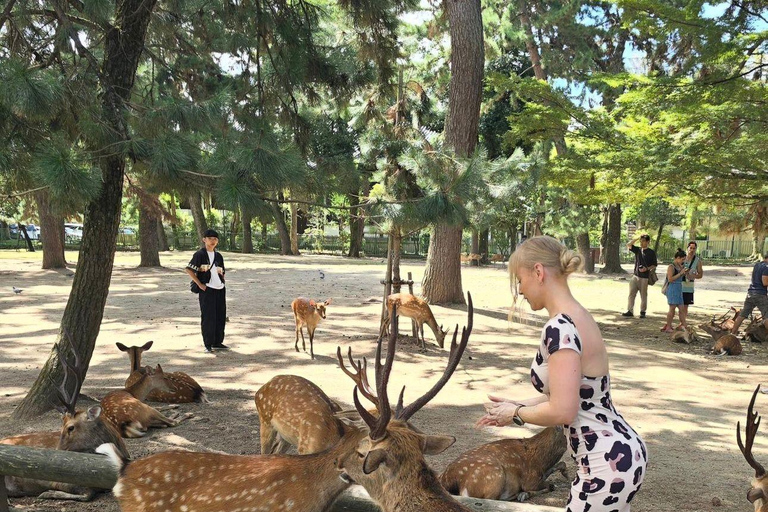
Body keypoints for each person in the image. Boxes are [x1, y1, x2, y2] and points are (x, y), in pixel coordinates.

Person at [476, 236, 646, 512]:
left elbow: (564, 411)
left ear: (539, 272)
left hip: (604, 462)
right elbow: (579, 393)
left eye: (519, 279)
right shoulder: (578, 315)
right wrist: (513, 405)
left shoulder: (559, 327)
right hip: (619, 453)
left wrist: (515, 413)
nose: (520, 290)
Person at [185, 229, 228, 353]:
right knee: (208, 316)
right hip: (207, 289)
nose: (213, 241)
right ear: (204, 239)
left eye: (215, 239)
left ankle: (217, 341)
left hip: (220, 289)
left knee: (220, 315)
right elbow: (189, 270)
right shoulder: (200, 254)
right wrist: (200, 284)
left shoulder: (219, 256)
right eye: (210, 238)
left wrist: (222, 282)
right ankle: (208, 343)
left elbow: (222, 271)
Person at [731, 251, 768, 335]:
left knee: (743, 315)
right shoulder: (766, 267)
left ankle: (733, 333)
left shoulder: (757, 265)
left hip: (751, 293)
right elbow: (765, 282)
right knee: (766, 315)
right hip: (760, 294)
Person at [621, 234, 657, 318]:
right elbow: (629, 245)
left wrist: (646, 269)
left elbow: (654, 264)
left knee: (643, 295)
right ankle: (630, 310)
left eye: (643, 241)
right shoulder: (638, 250)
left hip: (644, 277)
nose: (641, 242)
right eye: (641, 241)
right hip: (635, 276)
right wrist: (637, 238)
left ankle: (643, 311)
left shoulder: (651, 252)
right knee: (631, 294)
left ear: (648, 242)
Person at [660, 249, 688, 333]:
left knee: (682, 308)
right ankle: (668, 326)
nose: (683, 261)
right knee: (672, 308)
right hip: (672, 288)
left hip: (679, 288)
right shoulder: (671, 266)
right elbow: (670, 279)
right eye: (682, 259)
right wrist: (680, 273)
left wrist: (685, 273)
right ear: (677, 258)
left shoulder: (681, 266)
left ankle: (684, 325)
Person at [680, 241, 703, 326]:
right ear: (687, 248)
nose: (692, 250)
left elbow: (700, 274)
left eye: (694, 248)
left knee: (685, 306)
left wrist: (694, 276)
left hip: (689, 286)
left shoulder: (697, 261)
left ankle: (682, 323)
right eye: (691, 248)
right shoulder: (682, 258)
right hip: (679, 284)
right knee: (677, 305)